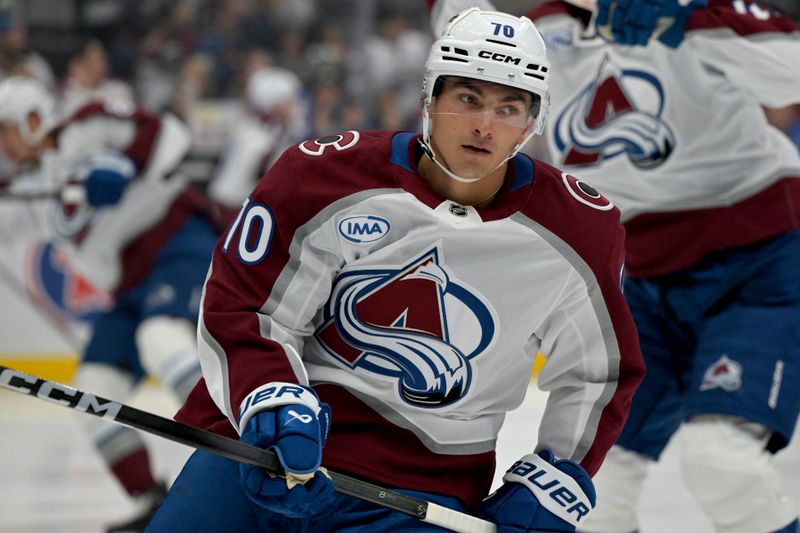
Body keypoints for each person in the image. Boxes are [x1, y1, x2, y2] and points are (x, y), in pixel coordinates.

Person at [148, 8, 644, 532]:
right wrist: (270, 400)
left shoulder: (578, 231)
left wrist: (555, 474)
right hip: (268, 453)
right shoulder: (321, 177)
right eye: (468, 99)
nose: (484, 126)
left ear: (533, 120)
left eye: (509, 108)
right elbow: (246, 305)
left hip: (421, 487)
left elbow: (598, 374)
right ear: (430, 97)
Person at [428, 1, 800, 532]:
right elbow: (455, 19)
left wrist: (688, 18)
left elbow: (792, 69)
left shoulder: (684, 6)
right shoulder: (532, 33)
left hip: (760, 263)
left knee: (722, 462)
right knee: (595, 490)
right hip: (645, 280)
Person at [0, 75, 218, 532]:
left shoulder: (87, 122)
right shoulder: (26, 188)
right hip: (126, 284)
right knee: (91, 390)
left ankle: (237, 453)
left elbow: (171, 133)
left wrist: (122, 163)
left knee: (160, 337)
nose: (2, 142)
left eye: (5, 129)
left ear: (34, 119)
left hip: (178, 241)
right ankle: (151, 501)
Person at [206, 64, 306, 226]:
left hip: (238, 203)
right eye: (289, 101)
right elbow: (262, 174)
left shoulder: (264, 127)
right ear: (275, 104)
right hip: (235, 207)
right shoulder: (262, 133)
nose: (294, 107)